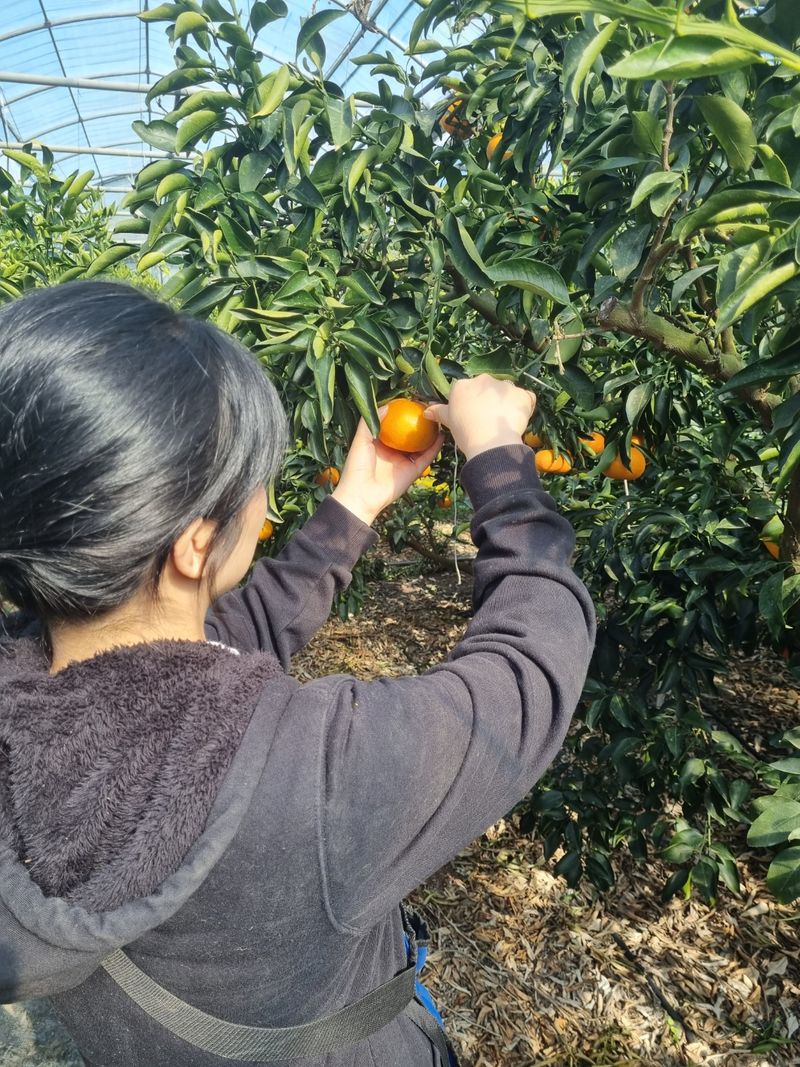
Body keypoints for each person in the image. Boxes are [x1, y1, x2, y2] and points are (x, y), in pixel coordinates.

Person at [0, 280, 595, 1066]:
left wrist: (354, 507)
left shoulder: (32, 697)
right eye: (256, 481)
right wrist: (504, 470)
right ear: (195, 544)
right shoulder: (315, 778)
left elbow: (212, 644)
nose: (264, 498)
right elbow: (529, 670)